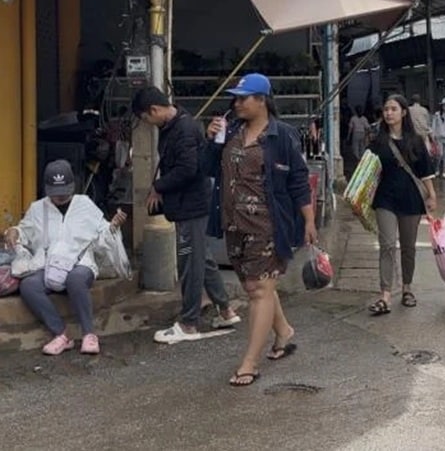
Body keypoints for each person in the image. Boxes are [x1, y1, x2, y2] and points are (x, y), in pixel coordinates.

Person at [203, 73, 317, 387]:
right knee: (258, 286)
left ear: (262, 100)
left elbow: (297, 180)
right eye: (236, 98)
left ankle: (249, 363)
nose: (237, 103)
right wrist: (211, 139)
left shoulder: (282, 136)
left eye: (244, 98)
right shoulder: (232, 131)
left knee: (258, 290)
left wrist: (308, 221)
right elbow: (206, 168)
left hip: (269, 225)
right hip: (234, 224)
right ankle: (283, 332)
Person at [131, 87, 239, 344]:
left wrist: (159, 186)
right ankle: (226, 310)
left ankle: (189, 322)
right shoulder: (176, 126)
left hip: (193, 205)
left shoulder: (184, 129)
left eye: (146, 118)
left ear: (154, 111)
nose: (148, 123)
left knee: (190, 262)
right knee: (203, 258)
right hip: (188, 204)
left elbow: (189, 169)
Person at [3, 160, 127, 355]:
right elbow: (24, 231)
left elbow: (102, 235)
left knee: (76, 279)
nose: (60, 197)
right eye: (55, 193)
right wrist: (14, 232)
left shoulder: (85, 204)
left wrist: (113, 226)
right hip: (47, 263)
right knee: (28, 286)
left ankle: (89, 334)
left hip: (80, 263)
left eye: (64, 192)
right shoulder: (38, 208)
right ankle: (60, 334)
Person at [368, 94, 438, 316]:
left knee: (408, 247)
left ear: (403, 113)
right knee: (387, 244)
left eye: (393, 109)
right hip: (384, 199)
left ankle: (407, 288)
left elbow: (425, 171)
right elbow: (367, 171)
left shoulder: (415, 141)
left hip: (410, 198)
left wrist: (432, 195)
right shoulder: (377, 141)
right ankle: (386, 294)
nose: (388, 113)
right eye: (386, 109)